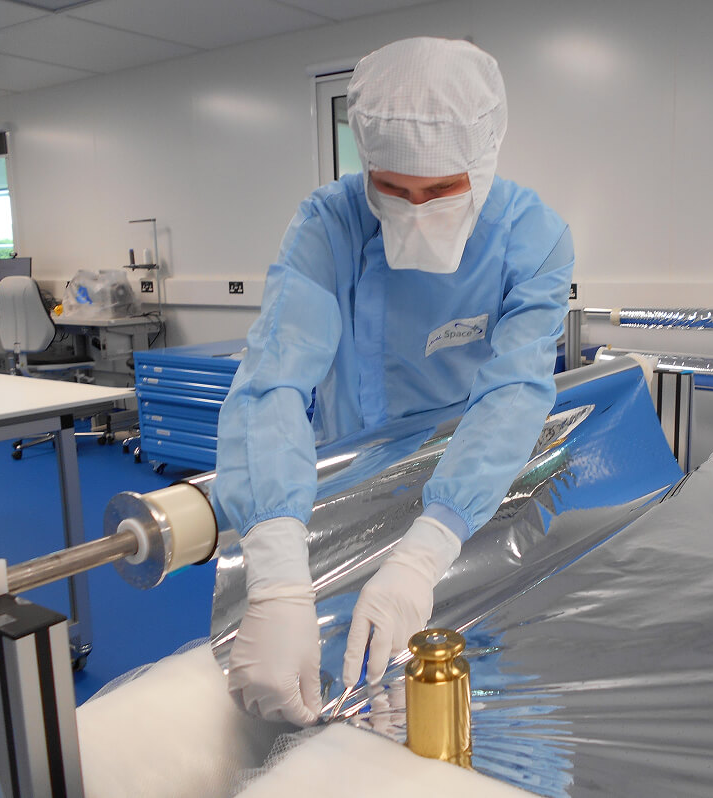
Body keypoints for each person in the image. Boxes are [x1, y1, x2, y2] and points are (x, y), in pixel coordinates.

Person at [213, 36, 574, 726]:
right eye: (392, 189)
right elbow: (272, 384)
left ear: (485, 158)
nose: (415, 209)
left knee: (455, 696)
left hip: (469, 495)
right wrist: (279, 576)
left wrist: (427, 552)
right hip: (341, 487)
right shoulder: (329, 223)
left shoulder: (533, 238)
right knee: (323, 704)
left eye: (440, 190)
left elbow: (513, 395)